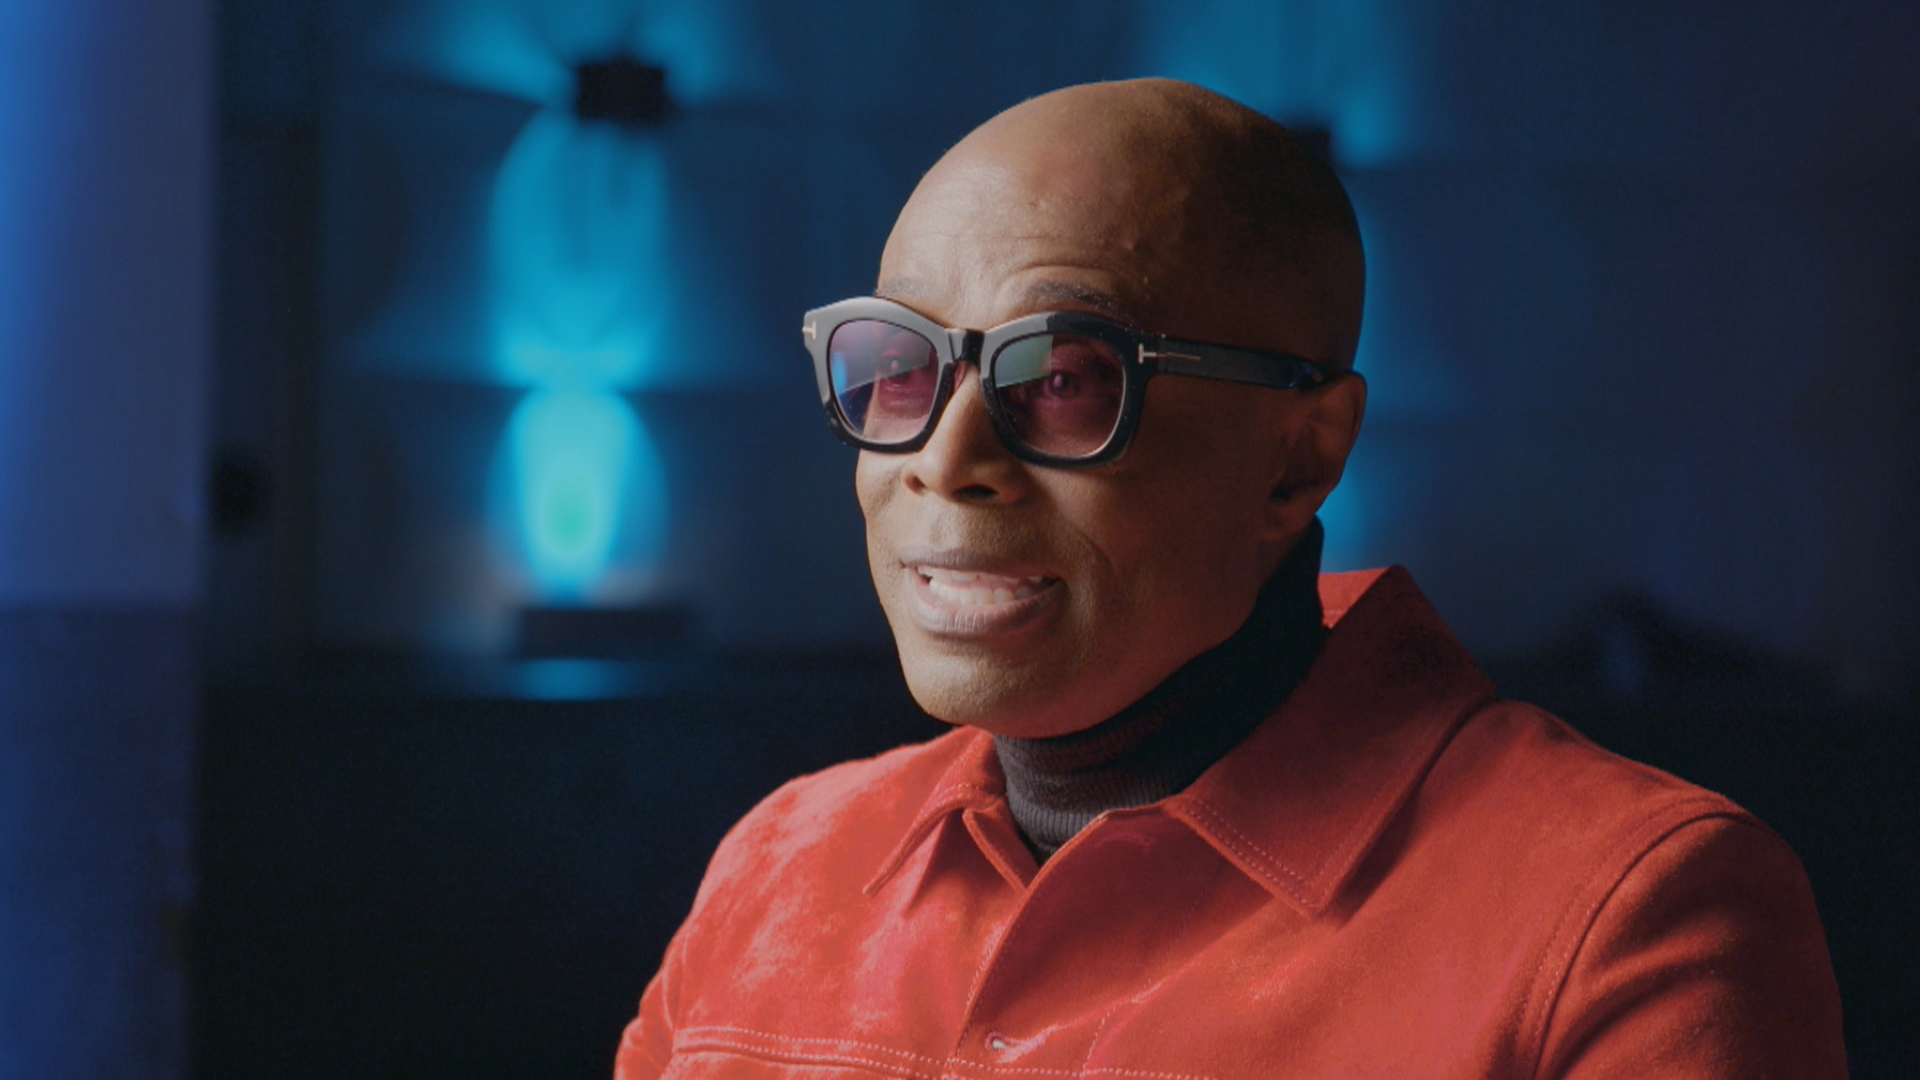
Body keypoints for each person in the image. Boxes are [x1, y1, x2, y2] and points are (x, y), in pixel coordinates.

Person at [616, 79, 1844, 1079]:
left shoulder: (1620, 919)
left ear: (1300, 458)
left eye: (1063, 378)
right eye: (899, 367)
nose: (943, 459)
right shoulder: (780, 866)